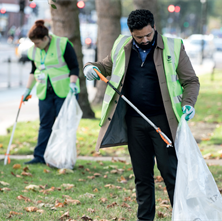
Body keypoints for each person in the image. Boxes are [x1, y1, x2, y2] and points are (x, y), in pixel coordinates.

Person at [83, 10, 199, 221]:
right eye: (139, 37)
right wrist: (90, 68)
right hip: (135, 121)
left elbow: (191, 81)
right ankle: (144, 218)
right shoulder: (122, 46)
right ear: (131, 33)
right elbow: (105, 66)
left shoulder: (173, 46)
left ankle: (182, 216)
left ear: (154, 27)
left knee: (170, 172)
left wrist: (188, 104)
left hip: (163, 120)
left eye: (148, 35)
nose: (145, 40)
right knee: (142, 177)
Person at [22, 20, 80, 164]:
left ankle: (64, 158)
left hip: (65, 91)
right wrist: (27, 90)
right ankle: (39, 156)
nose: (35, 46)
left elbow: (74, 67)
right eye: (33, 43)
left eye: (37, 43)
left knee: (64, 126)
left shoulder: (62, 44)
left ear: (46, 38)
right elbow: (33, 70)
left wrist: (73, 84)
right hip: (45, 92)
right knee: (45, 125)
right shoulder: (34, 50)